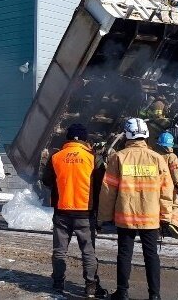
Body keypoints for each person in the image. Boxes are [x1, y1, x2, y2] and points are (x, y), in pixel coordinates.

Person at [98, 118, 174, 300]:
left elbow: (108, 190)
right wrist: (166, 216)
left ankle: (122, 293)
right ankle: (154, 295)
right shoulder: (157, 159)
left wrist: (103, 217)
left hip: (126, 215)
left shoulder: (119, 157)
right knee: (151, 255)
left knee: (124, 254)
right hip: (151, 217)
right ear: (146, 135)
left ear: (127, 135)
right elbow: (167, 189)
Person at [41, 123, 108, 298]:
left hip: (62, 211)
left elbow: (46, 181)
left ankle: (57, 283)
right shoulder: (92, 157)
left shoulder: (56, 157)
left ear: (67, 138)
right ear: (85, 139)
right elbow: (102, 184)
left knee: (60, 250)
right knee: (87, 251)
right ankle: (91, 286)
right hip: (85, 212)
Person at [153, 131, 178, 238]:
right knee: (176, 206)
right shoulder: (172, 157)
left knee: (156, 208)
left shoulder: (153, 155)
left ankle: (156, 230)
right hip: (168, 188)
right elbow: (176, 174)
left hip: (153, 187)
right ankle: (174, 224)